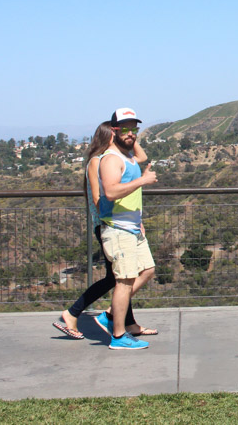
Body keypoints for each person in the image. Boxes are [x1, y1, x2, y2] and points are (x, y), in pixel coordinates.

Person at [52, 121, 156, 339]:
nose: (124, 136)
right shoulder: (97, 161)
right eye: (116, 133)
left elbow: (142, 157)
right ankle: (73, 314)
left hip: (118, 223)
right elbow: (99, 198)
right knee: (118, 279)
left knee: (121, 278)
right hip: (108, 224)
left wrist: (130, 137)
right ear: (108, 136)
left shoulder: (116, 158)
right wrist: (111, 221)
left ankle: (128, 323)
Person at [97, 108, 158, 350]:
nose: (130, 133)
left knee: (148, 269)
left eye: (134, 128)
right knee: (123, 281)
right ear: (114, 131)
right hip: (118, 229)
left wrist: (133, 138)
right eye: (125, 128)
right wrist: (143, 180)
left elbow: (141, 158)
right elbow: (110, 192)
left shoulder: (129, 155)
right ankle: (119, 336)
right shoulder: (111, 159)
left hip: (132, 226)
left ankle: (111, 314)